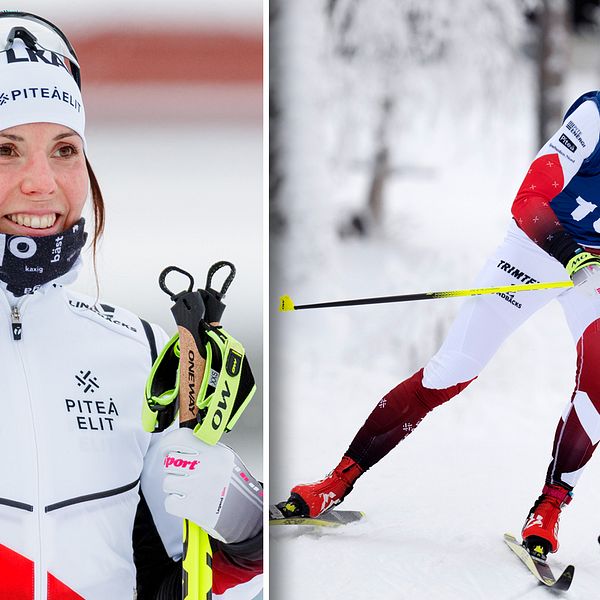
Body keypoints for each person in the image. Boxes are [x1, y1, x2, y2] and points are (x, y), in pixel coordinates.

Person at [0, 12, 262, 599]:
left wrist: (242, 525)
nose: (42, 181)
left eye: (65, 148)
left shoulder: (138, 352)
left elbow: (197, 578)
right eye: (5, 148)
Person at [282, 89, 600, 561]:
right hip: (537, 246)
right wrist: (568, 255)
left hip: (592, 266)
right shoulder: (593, 116)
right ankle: (337, 481)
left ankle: (548, 509)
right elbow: (529, 198)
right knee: (452, 369)